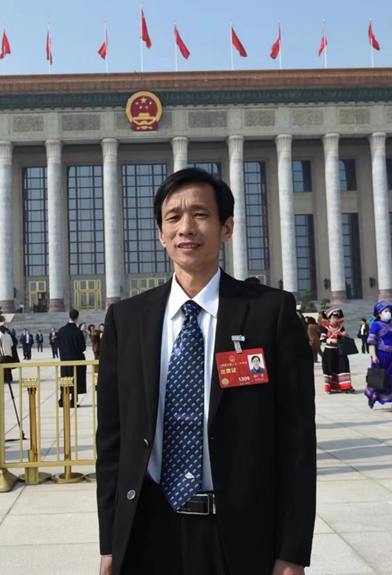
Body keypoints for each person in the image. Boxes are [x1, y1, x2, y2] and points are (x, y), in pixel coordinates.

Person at [96, 167, 315, 575]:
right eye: (173, 217)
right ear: (161, 235)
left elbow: (297, 441)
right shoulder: (127, 320)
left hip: (239, 535)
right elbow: (112, 440)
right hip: (148, 529)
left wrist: (292, 551)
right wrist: (110, 543)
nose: (186, 228)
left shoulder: (269, 313)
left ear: (226, 227)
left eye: (200, 214)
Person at [321, 307, 355, 394]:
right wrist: (331, 340)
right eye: (333, 318)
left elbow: (345, 337)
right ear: (329, 319)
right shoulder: (325, 328)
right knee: (329, 368)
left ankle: (346, 386)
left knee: (343, 367)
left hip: (340, 351)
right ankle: (329, 387)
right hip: (329, 351)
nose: (335, 320)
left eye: (336, 318)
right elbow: (322, 339)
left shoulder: (341, 327)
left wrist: (345, 335)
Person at [57, 310, 87, 405]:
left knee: (65, 379)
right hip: (75, 360)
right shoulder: (77, 332)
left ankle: (62, 399)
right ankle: (73, 400)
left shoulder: (61, 331)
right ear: (77, 318)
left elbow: (58, 344)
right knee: (75, 379)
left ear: (69, 317)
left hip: (64, 360)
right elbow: (82, 347)